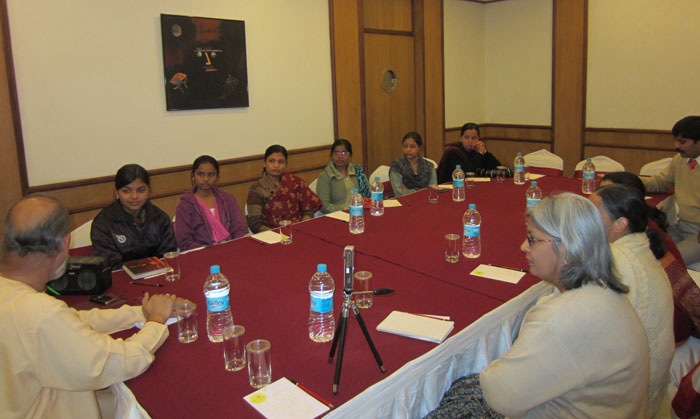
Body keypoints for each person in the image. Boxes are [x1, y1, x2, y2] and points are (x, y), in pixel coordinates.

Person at [428, 193, 649, 418]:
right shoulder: (604, 292)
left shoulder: (560, 317)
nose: (524, 246)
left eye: (532, 239)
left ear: (565, 247)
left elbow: (500, 396)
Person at [0, 195, 177, 418]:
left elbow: (72, 321)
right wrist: (156, 322)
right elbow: (120, 362)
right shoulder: (39, 313)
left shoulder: (16, 295)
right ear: (65, 244)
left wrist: (139, 311)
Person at [590, 184, 675, 416]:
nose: (585, 219)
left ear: (621, 224)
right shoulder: (640, 247)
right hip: (649, 386)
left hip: (630, 399)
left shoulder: (616, 260)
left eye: (593, 213)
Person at [601, 172, 700, 343]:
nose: (598, 198)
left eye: (607, 193)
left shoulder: (639, 240)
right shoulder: (639, 226)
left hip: (670, 330)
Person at [91, 164, 177, 270]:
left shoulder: (160, 217)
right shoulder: (103, 223)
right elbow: (110, 266)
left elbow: (168, 255)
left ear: (148, 191)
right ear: (117, 192)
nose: (134, 196)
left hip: (159, 275)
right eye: (126, 191)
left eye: (141, 190)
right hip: (122, 280)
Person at [641, 115, 700, 265]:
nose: (676, 146)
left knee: (666, 263)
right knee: (644, 252)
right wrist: (631, 182)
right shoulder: (680, 160)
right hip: (676, 225)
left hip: (696, 233)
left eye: (682, 142)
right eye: (676, 140)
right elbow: (661, 182)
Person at [175, 155, 248, 250]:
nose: (205, 179)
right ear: (193, 176)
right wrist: (209, 251)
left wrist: (233, 247)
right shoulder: (185, 205)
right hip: (201, 254)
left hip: (231, 250)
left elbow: (239, 229)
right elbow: (185, 242)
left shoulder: (227, 199)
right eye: (200, 174)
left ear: (217, 176)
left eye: (211, 174)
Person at [246, 145, 322, 233]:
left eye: (281, 162)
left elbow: (309, 207)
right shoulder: (257, 188)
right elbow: (255, 223)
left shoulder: (295, 182)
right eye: (272, 161)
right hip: (271, 234)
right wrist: (277, 234)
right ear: (264, 163)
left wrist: (304, 224)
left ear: (286, 164)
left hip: (298, 230)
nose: (276, 165)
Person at [316, 139, 370, 214]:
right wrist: (347, 209)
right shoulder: (325, 176)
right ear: (331, 156)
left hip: (360, 213)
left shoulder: (358, 172)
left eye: (344, 153)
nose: (340, 156)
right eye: (336, 153)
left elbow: (369, 196)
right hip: (337, 216)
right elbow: (324, 206)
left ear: (350, 156)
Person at [436, 122, 501, 183]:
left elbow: (498, 167)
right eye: (466, 137)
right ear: (461, 138)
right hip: (448, 188)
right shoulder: (453, 152)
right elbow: (468, 173)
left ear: (478, 139)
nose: (470, 141)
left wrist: (485, 152)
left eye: (474, 138)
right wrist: (479, 154)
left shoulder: (476, 150)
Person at [389, 131, 437, 197]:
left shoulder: (429, 166)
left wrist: (408, 190)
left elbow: (433, 190)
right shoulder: (397, 166)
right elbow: (399, 193)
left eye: (412, 146)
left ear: (420, 148)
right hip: (404, 203)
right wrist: (422, 190)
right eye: (405, 146)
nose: (408, 149)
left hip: (426, 201)